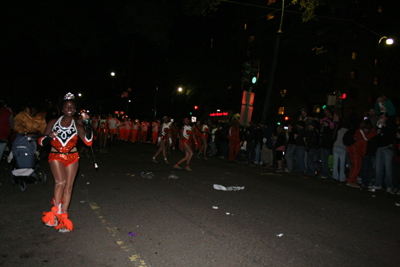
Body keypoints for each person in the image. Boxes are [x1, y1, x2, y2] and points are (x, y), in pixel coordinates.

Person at [39, 92, 93, 233]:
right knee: (60, 182)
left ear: (75, 109)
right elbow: (41, 141)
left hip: (73, 157)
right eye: (67, 106)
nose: (69, 108)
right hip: (56, 155)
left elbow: (88, 141)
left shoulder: (77, 125)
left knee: (68, 187)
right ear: (62, 108)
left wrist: (87, 122)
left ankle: (63, 215)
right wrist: (50, 137)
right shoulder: (53, 122)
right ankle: (55, 214)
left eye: (72, 107)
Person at [369, 113, 395, 193]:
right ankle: (378, 184)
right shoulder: (378, 126)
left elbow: (392, 135)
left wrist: (385, 126)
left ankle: (389, 185)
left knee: (388, 169)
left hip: (387, 148)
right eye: (380, 116)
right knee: (378, 168)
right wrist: (377, 133)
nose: (381, 118)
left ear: (386, 118)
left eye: (382, 117)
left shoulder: (389, 126)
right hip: (379, 148)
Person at [346, 120, 376, 188]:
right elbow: (366, 137)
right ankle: (351, 181)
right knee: (356, 166)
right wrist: (373, 132)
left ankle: (353, 181)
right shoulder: (360, 131)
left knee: (357, 166)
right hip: (355, 150)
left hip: (358, 151)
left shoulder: (361, 131)